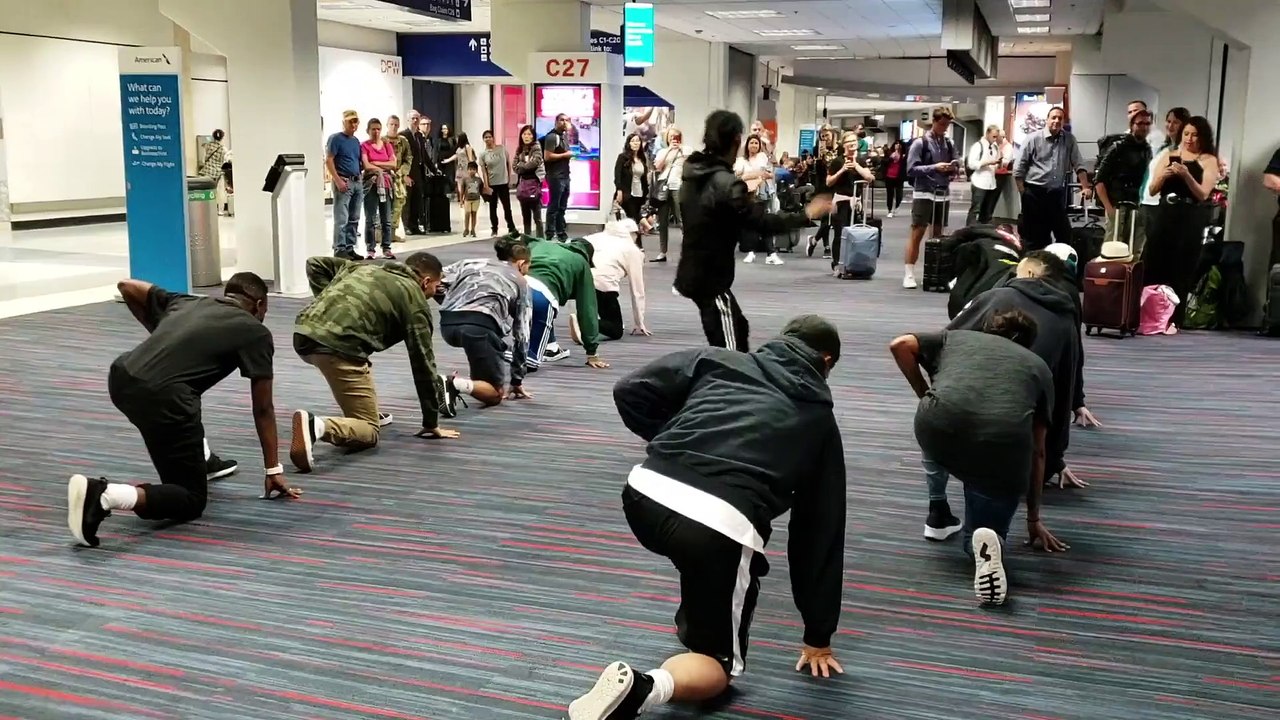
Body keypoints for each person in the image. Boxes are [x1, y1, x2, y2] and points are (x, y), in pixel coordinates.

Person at [565, 315, 847, 720]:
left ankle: (697, 613)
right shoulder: (820, 422)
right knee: (717, 665)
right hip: (717, 524)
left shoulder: (717, 359)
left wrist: (673, 441)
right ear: (825, 360)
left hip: (644, 493)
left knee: (699, 560)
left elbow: (630, 389)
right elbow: (818, 532)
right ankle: (645, 689)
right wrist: (818, 635)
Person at [66, 273, 299, 548]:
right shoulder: (255, 331)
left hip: (122, 377)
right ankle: (105, 495)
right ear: (260, 305)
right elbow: (263, 409)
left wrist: (161, 333)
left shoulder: (187, 302)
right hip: (164, 399)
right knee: (190, 499)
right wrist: (273, 469)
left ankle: (202, 459)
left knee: (179, 414)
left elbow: (127, 286)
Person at [889, 310, 1068, 607]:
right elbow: (1038, 450)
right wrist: (1033, 518)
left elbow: (899, 344)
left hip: (939, 427)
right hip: (998, 444)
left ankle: (938, 510)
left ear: (986, 330)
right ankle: (985, 544)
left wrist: (924, 393)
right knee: (986, 507)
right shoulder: (1038, 368)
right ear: (1028, 343)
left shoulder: (954, 338)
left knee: (939, 421)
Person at [940, 251, 1084, 514]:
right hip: (1024, 421)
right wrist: (1056, 456)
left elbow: (944, 343)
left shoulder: (996, 298)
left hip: (968, 410)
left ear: (1028, 273)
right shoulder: (1066, 318)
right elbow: (1066, 385)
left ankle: (940, 509)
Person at [289, 253, 458, 475]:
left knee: (359, 368)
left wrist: (331, 307)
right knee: (368, 432)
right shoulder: (414, 300)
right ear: (425, 281)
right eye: (437, 286)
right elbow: (423, 364)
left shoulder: (365, 268)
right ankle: (317, 426)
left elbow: (315, 263)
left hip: (303, 334)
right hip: (338, 348)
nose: (436, 293)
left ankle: (362, 408)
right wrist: (431, 422)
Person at [675, 110, 831, 352]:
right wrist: (806, 214)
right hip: (710, 277)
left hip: (695, 269)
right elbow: (761, 222)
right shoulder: (725, 183)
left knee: (737, 328)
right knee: (731, 351)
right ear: (737, 140)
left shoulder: (694, 173)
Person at [1144, 115, 1221, 323]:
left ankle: (1175, 318)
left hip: (1190, 216)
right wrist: (1165, 175)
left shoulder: (1208, 160)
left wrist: (1186, 175)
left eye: (1195, 134)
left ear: (1203, 137)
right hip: (1165, 213)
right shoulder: (1169, 154)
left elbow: (1203, 194)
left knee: (1182, 265)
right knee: (1155, 261)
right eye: (1186, 133)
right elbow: (1152, 189)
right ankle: (1150, 314)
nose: (1189, 138)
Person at [437, 244, 533, 409]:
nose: (527, 272)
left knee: (480, 380)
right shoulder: (520, 281)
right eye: (528, 267)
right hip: (479, 328)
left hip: (447, 325)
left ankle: (460, 386)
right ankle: (455, 384)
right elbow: (522, 334)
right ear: (521, 263)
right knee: (495, 394)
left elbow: (437, 279)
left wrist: (450, 301)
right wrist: (517, 378)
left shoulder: (470, 263)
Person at [516, 236, 610, 369]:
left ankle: (551, 346)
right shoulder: (581, 262)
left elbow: (519, 240)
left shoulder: (539, 244)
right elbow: (587, 309)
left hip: (514, 286)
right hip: (543, 297)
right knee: (530, 362)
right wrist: (592, 352)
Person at [1014, 106, 1093, 253]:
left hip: (1056, 194)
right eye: (1053, 117)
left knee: (1064, 234)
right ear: (1047, 120)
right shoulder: (1033, 139)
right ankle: (1033, 268)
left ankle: (1060, 266)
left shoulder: (1069, 139)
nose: (1056, 121)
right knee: (1036, 236)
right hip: (1034, 193)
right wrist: (1023, 193)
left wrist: (1085, 186)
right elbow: (1019, 170)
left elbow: (1079, 164)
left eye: (1060, 118)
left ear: (1063, 121)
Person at [903, 106, 961, 288]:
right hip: (923, 192)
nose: (945, 128)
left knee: (937, 236)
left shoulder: (949, 143)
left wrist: (953, 168)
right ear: (934, 122)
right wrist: (935, 167)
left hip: (942, 193)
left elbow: (956, 162)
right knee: (917, 232)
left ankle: (934, 273)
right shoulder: (920, 143)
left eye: (947, 125)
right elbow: (911, 169)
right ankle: (909, 273)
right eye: (942, 124)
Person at [1094, 110, 1154, 255]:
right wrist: (1109, 209)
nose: (1144, 127)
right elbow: (1099, 180)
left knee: (1135, 249)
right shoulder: (1117, 147)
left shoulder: (1147, 150)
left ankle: (1131, 277)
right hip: (1117, 204)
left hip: (1137, 205)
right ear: (1132, 125)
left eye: (1147, 123)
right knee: (1113, 250)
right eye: (1140, 123)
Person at [585, 216, 650, 340]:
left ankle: (584, 324)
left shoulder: (595, 237)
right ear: (633, 234)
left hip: (579, 280)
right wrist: (639, 321)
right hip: (603, 285)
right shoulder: (632, 250)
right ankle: (584, 323)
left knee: (601, 309)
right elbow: (637, 289)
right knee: (616, 329)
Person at [825, 130, 876, 272]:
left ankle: (852, 263)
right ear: (844, 144)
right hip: (841, 202)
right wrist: (842, 170)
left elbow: (870, 178)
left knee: (856, 234)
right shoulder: (837, 161)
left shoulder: (860, 160)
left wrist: (856, 166)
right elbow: (828, 182)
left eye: (855, 141)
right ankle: (836, 263)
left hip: (856, 202)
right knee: (839, 233)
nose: (853, 144)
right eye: (849, 142)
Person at [736, 134, 784, 266]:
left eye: (756, 143)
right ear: (747, 145)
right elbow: (739, 176)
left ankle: (766, 253)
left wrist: (751, 175)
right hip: (748, 195)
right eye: (751, 143)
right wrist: (755, 175)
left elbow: (769, 173)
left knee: (762, 223)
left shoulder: (762, 157)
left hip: (762, 194)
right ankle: (766, 253)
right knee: (756, 224)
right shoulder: (741, 160)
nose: (754, 146)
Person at [326, 109, 364, 260]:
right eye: (350, 121)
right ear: (344, 122)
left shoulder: (355, 141)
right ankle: (339, 247)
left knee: (354, 217)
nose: (353, 124)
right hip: (344, 181)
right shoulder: (335, 139)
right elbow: (329, 160)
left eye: (356, 121)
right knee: (342, 218)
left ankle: (350, 247)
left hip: (356, 181)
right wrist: (337, 179)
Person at [360, 118, 397, 260]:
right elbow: (366, 166)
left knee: (386, 219)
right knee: (370, 219)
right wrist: (381, 166)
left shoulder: (387, 145)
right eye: (373, 129)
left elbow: (394, 164)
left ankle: (386, 247)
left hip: (386, 185)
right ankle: (370, 249)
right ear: (368, 130)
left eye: (378, 129)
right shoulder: (364, 146)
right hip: (371, 185)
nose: (376, 132)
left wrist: (375, 163)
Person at [652, 127, 687, 263]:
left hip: (678, 186)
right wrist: (668, 151)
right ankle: (662, 251)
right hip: (663, 187)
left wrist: (680, 149)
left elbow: (690, 165)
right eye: (671, 137)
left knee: (682, 220)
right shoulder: (662, 151)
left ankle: (687, 251)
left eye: (676, 136)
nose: (674, 139)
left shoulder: (686, 150)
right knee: (663, 220)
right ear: (667, 138)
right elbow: (658, 167)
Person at [480, 129, 517, 237]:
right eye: (485, 137)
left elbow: (508, 164)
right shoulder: (483, 154)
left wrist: (509, 178)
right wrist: (486, 185)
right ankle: (494, 229)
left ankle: (511, 227)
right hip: (492, 184)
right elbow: (484, 171)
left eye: (489, 137)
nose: (488, 139)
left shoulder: (501, 149)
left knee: (507, 207)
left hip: (503, 183)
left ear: (493, 138)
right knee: (492, 207)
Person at [543, 114, 574, 241]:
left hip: (565, 176)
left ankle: (561, 233)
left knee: (562, 207)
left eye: (567, 120)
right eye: (562, 120)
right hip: (555, 177)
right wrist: (565, 155)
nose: (564, 122)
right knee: (554, 207)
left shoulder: (564, 137)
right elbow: (547, 156)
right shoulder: (552, 137)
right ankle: (550, 234)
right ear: (556, 122)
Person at [966, 125, 1004, 225]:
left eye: (996, 137)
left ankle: (984, 233)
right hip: (979, 182)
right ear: (987, 134)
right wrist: (987, 162)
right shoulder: (978, 146)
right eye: (993, 137)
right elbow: (971, 164)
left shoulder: (995, 147)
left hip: (991, 183)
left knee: (987, 212)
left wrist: (998, 162)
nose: (995, 139)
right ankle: (969, 232)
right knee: (975, 210)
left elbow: (995, 166)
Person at [512, 125, 545, 237]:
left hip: (534, 184)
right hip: (523, 184)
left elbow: (535, 162)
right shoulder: (519, 149)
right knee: (525, 215)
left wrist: (522, 166)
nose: (526, 136)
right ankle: (527, 238)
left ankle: (541, 239)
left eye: (529, 134)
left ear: (533, 136)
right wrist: (524, 166)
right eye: (524, 134)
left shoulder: (536, 147)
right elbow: (514, 167)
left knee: (537, 216)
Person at [614, 132, 650, 227]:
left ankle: (638, 237)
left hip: (639, 193)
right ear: (629, 143)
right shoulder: (622, 157)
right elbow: (617, 175)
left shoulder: (642, 159)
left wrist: (646, 193)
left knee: (634, 221)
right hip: (627, 193)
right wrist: (619, 190)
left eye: (638, 141)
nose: (635, 143)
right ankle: (647, 226)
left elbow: (644, 178)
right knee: (633, 217)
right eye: (633, 141)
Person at [386, 115, 412, 244]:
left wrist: (402, 172)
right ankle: (381, 233)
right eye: (391, 124)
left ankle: (392, 232)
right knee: (384, 205)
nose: (394, 127)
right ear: (387, 125)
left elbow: (408, 158)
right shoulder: (382, 140)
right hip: (385, 176)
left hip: (399, 178)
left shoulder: (403, 141)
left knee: (399, 203)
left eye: (396, 125)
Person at [882, 138, 908, 219]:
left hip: (899, 177)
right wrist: (890, 158)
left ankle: (897, 206)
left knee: (899, 193)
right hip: (889, 176)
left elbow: (906, 165)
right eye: (896, 144)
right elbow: (883, 162)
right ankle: (889, 210)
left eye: (899, 144)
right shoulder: (890, 153)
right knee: (890, 194)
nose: (897, 145)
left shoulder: (904, 155)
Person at [460, 162, 482, 238]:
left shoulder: (479, 180)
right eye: (470, 169)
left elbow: (481, 189)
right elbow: (462, 190)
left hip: (476, 199)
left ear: (476, 170)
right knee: (467, 213)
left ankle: (473, 229)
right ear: (467, 170)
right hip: (467, 199)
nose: (471, 171)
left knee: (474, 214)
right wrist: (461, 200)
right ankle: (466, 229)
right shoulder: (465, 179)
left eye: (473, 169)